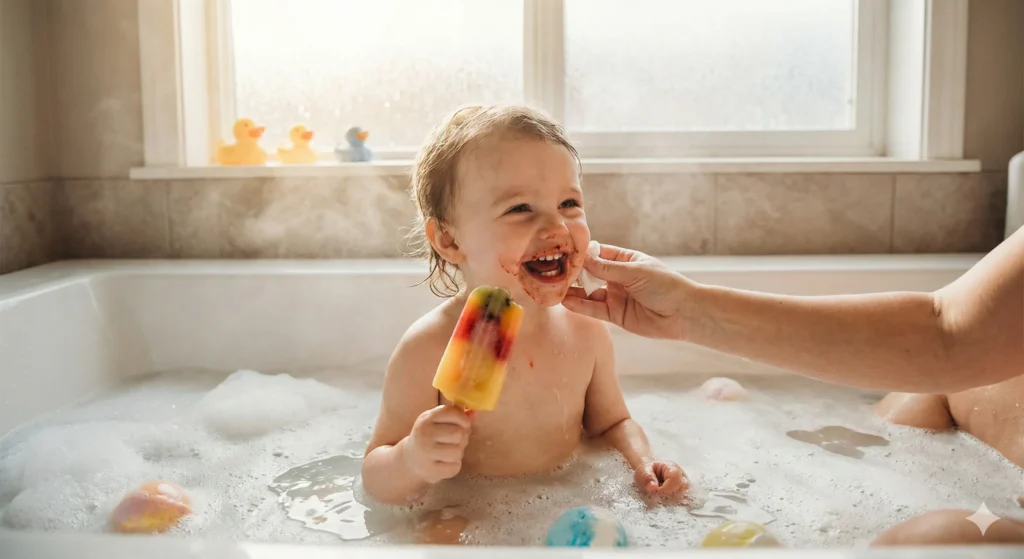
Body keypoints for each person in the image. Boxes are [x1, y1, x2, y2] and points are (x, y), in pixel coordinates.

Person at [561, 231, 1024, 546]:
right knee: (916, 403)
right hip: (975, 439)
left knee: (940, 536)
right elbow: (945, 334)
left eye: (569, 201)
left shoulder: (584, 340)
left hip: (985, 501)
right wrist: (688, 310)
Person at [361, 105, 687, 506]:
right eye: (520, 209)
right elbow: (376, 477)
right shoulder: (428, 348)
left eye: (569, 203)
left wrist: (643, 462)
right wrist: (411, 461)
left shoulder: (584, 328)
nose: (556, 227)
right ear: (449, 240)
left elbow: (613, 423)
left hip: (564, 502)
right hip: (467, 513)